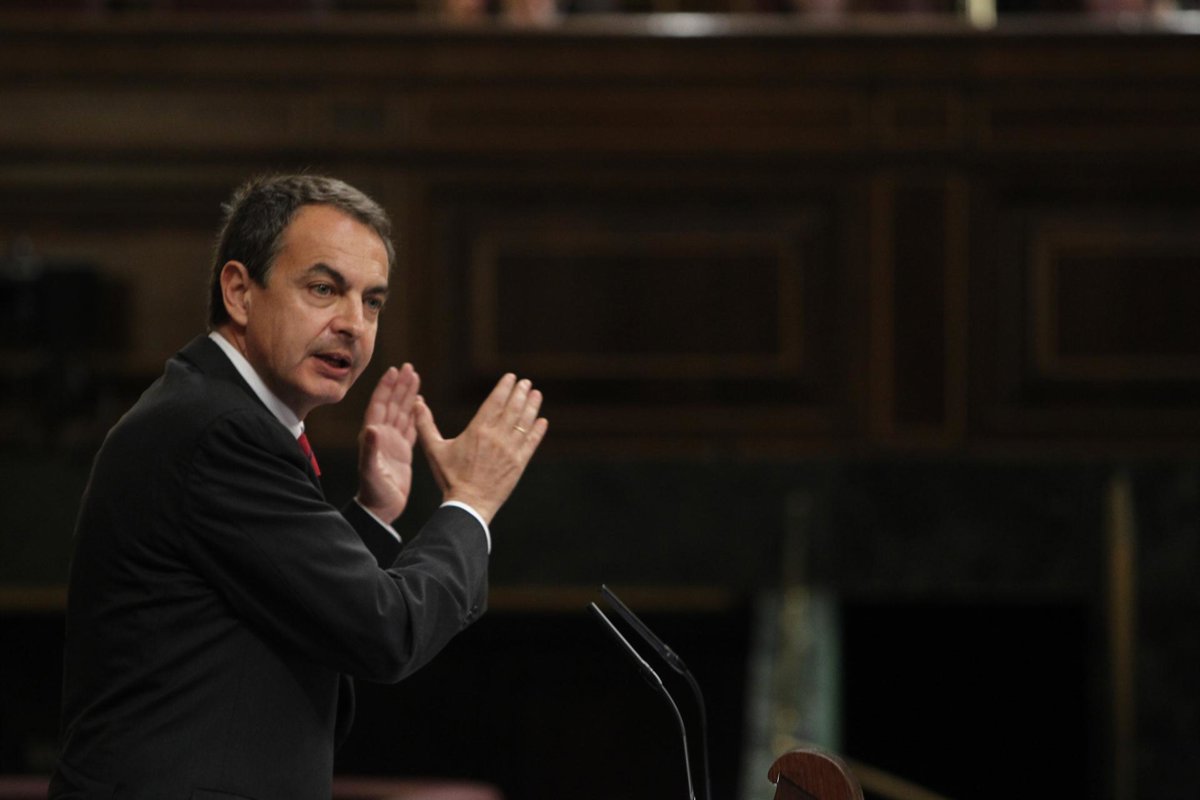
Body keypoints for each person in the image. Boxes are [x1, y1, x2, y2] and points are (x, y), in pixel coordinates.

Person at [50, 174, 547, 800]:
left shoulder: (211, 413)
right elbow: (386, 631)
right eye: (324, 289)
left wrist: (374, 514)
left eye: (372, 302)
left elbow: (292, 604)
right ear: (239, 291)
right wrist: (470, 502)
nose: (354, 325)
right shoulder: (218, 431)